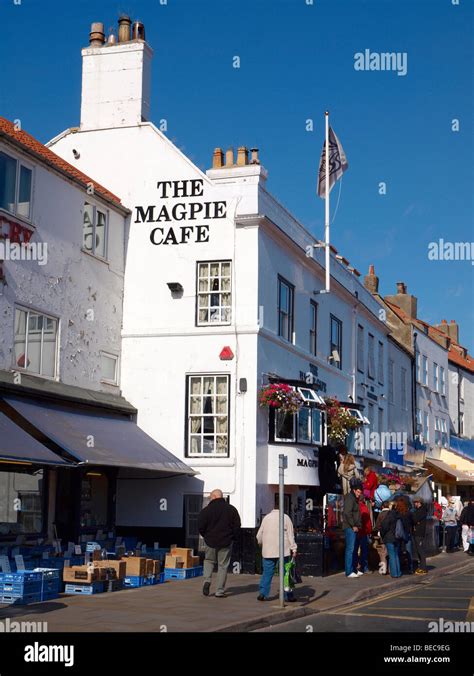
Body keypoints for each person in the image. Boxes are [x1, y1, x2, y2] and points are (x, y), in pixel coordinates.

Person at [198, 489, 241, 598]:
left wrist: (206, 536)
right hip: (226, 542)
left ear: (214, 497)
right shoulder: (231, 510)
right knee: (223, 566)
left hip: (210, 541)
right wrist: (233, 538)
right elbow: (237, 526)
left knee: (208, 561)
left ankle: (207, 580)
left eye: (210, 497)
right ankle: (219, 591)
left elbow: (200, 526)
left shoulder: (206, 511)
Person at [256, 501, 297, 601]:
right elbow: (290, 535)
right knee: (286, 573)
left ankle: (263, 593)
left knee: (267, 573)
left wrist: (261, 544)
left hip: (268, 551)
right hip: (284, 551)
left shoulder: (266, 518)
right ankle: (288, 595)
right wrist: (294, 548)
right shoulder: (286, 517)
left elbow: (259, 535)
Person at [342, 479, 363, 578]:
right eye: (358, 492)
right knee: (350, 549)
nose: (359, 494)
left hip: (355, 528)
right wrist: (353, 525)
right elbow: (347, 513)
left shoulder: (354, 498)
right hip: (350, 528)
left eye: (360, 492)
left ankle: (354, 569)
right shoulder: (350, 498)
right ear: (354, 490)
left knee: (354, 549)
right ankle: (349, 571)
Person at [380, 499, 404, 578]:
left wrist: (382, 535)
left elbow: (384, 526)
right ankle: (398, 572)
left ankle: (394, 574)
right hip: (397, 537)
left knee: (392, 555)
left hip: (389, 537)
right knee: (396, 555)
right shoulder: (399, 514)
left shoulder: (389, 515)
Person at [354, 494, 373, 574]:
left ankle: (354, 566)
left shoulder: (354, 506)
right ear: (364, 500)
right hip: (363, 532)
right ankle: (364, 567)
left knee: (354, 550)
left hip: (355, 532)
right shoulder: (364, 507)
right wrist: (369, 531)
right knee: (364, 551)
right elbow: (367, 522)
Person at [412, 497, 428, 574]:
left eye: (416, 502)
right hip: (417, 532)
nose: (415, 504)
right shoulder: (418, 510)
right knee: (418, 550)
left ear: (419, 502)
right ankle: (421, 566)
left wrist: (415, 521)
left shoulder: (422, 510)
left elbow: (415, 519)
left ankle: (423, 568)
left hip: (419, 532)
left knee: (420, 550)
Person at [375, 501, 391, 574]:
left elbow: (377, 525)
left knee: (383, 554)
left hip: (383, 536)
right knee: (391, 553)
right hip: (391, 536)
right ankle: (391, 569)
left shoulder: (380, 514)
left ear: (382, 507)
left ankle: (383, 570)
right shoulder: (391, 513)